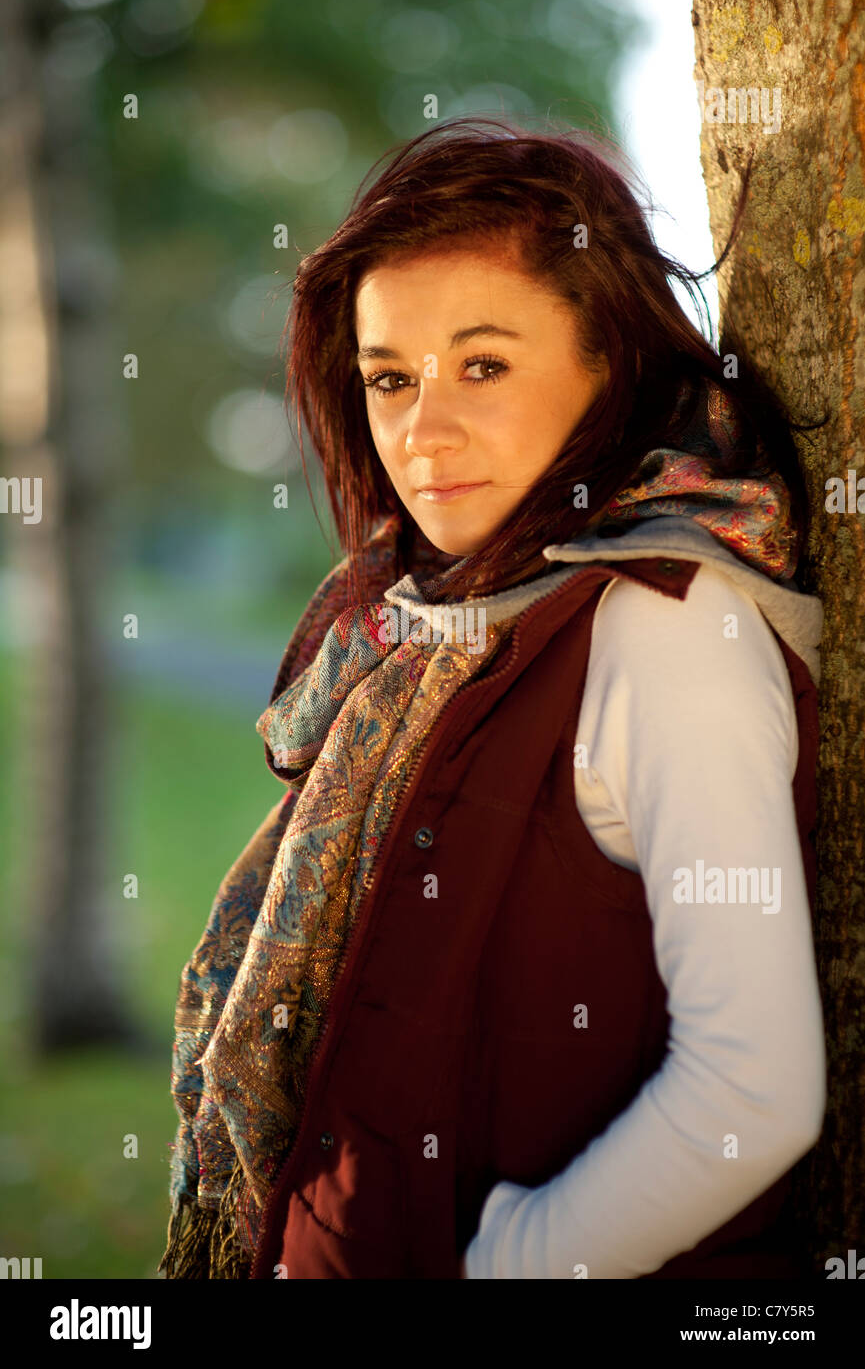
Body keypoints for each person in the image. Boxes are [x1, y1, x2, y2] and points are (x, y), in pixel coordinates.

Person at [159, 116, 826, 1280]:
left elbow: (753, 1091)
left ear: (608, 362)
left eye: (483, 364)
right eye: (389, 378)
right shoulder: (431, 627)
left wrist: (509, 1264)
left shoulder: (663, 629)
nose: (423, 431)